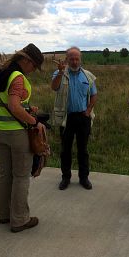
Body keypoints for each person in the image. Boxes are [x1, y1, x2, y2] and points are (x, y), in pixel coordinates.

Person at [0, 43, 44, 232]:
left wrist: (27, 108)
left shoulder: (2, 71)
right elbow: (14, 107)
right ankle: (20, 219)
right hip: (16, 133)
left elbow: (7, 102)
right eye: (34, 65)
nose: (34, 70)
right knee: (21, 176)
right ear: (26, 60)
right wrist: (33, 121)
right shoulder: (18, 77)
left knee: (4, 173)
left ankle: (5, 215)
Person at [51, 46, 97, 190]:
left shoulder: (88, 75)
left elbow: (94, 94)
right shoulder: (60, 74)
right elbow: (54, 87)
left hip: (83, 118)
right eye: (71, 59)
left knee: (83, 150)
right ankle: (66, 178)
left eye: (77, 59)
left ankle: (84, 178)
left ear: (80, 59)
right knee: (65, 150)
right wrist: (59, 72)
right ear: (67, 59)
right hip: (67, 118)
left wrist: (89, 109)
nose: (75, 62)